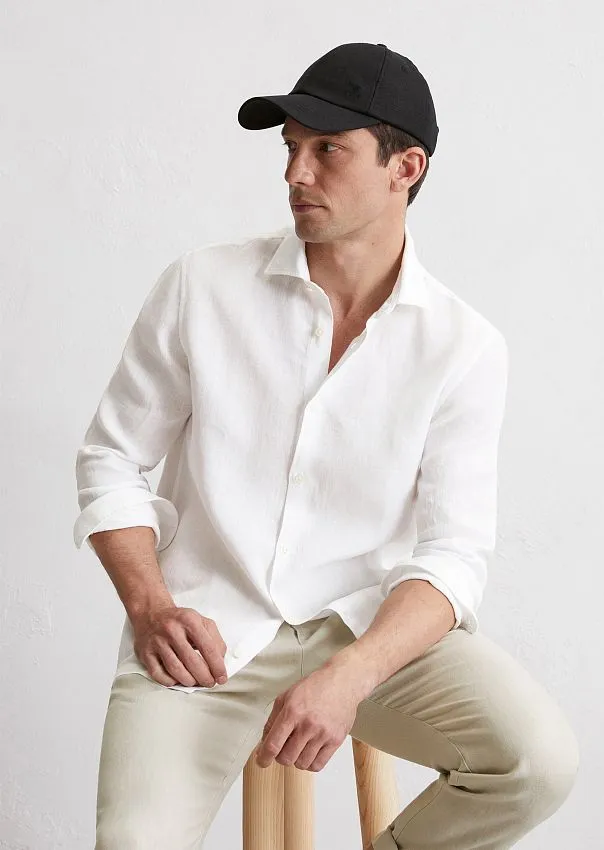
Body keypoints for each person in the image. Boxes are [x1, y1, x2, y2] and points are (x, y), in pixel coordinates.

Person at [74, 42, 579, 849]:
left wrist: (353, 674)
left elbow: (452, 556)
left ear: (405, 167)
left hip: (364, 632)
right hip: (202, 635)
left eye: (327, 151)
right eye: (291, 147)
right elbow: (112, 460)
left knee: (537, 763)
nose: (294, 174)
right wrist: (151, 606)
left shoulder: (464, 347)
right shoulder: (201, 287)